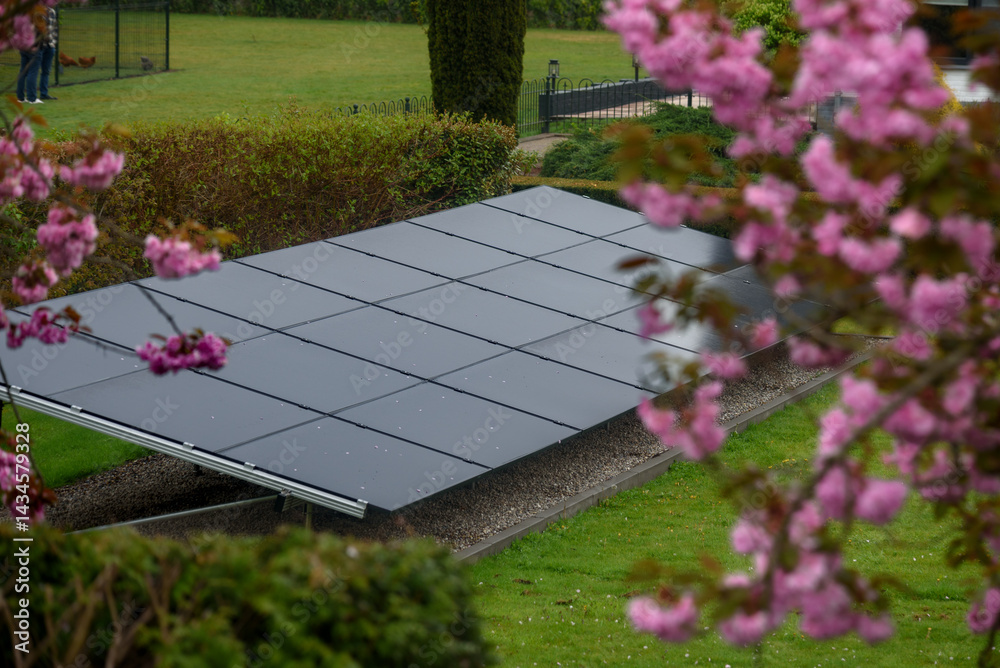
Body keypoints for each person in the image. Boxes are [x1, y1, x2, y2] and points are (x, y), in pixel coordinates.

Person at [16, 5, 48, 104]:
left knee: (23, 72)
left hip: (24, 48)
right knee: (33, 72)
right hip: (34, 49)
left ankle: (20, 97)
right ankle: (32, 98)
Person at [38, 6, 57, 101]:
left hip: (50, 46)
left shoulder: (52, 12)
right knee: (33, 71)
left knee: (46, 71)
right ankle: (30, 94)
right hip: (40, 46)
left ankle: (44, 94)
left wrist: (53, 43)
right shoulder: (37, 11)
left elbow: (54, 29)